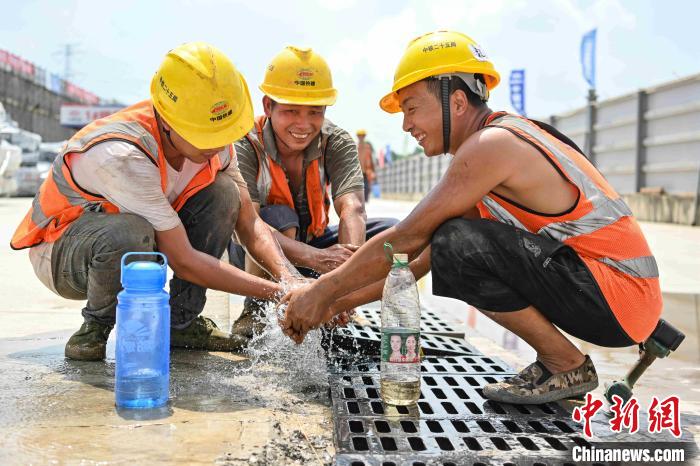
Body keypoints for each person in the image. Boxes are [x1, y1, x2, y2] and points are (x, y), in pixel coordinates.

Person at [280, 31, 662, 404]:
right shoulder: (495, 145)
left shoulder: (492, 145)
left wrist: (320, 291)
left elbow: (409, 236)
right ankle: (562, 361)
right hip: (616, 298)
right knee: (451, 242)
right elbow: (417, 262)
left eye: (411, 107)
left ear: (458, 102)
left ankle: (563, 363)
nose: (406, 125)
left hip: (617, 297)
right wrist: (332, 305)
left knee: (455, 243)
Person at [10, 42, 301, 361]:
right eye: (205, 136)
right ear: (167, 120)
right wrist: (282, 293)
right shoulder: (122, 155)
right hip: (63, 253)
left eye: (223, 133)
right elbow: (184, 259)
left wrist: (291, 278)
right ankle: (94, 328)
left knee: (224, 193)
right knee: (129, 232)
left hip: (146, 235)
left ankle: (181, 325)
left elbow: (249, 223)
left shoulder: (216, 138)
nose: (219, 145)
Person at [229, 46, 397, 338]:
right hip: (258, 253)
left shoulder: (337, 141)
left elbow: (352, 208)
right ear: (268, 106)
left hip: (318, 244)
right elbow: (249, 224)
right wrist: (315, 260)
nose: (303, 124)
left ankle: (340, 307)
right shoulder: (246, 142)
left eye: (314, 112)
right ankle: (255, 311)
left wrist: (342, 284)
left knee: (394, 237)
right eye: (291, 111)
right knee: (281, 217)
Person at [356, 129, 375, 202]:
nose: (361, 137)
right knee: (358, 185)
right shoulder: (355, 147)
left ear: (364, 136)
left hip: (367, 170)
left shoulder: (368, 147)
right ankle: (359, 198)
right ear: (358, 137)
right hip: (357, 170)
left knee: (366, 186)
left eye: (362, 136)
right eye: (360, 136)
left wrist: (373, 170)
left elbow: (371, 159)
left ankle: (366, 199)